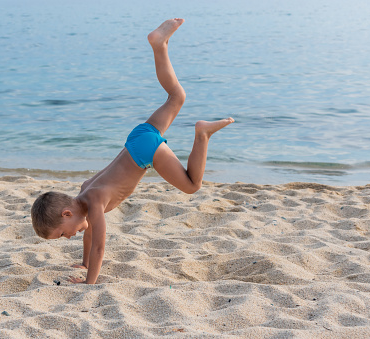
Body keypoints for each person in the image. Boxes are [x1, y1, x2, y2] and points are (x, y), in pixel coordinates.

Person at [31, 18, 234, 284]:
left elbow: (99, 247)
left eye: (61, 234)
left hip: (145, 153)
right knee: (176, 97)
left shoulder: (95, 202)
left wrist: (89, 282)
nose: (67, 238)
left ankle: (202, 134)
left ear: (66, 214)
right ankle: (159, 44)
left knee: (192, 185)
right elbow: (89, 235)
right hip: (137, 137)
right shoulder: (84, 192)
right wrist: (83, 264)